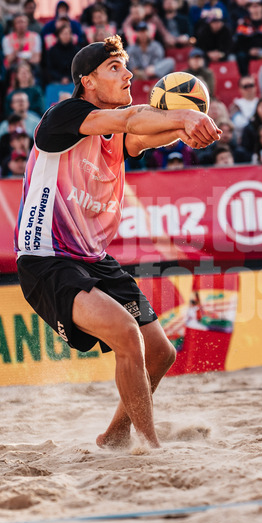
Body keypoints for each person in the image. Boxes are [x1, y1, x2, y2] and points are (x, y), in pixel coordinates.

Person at [14, 34, 220, 449]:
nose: (127, 74)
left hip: (94, 259)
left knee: (161, 353)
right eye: (114, 67)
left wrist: (184, 129)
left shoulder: (114, 133)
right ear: (87, 81)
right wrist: (184, 119)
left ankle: (115, 435)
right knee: (127, 335)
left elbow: (143, 133)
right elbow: (132, 120)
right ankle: (150, 448)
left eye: (126, 66)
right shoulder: (66, 116)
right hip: (47, 259)